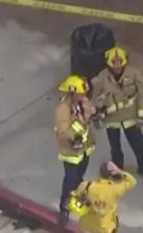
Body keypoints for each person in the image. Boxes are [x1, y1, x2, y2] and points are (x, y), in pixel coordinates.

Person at [91, 46, 143, 180]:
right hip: (111, 119)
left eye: (120, 63)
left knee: (138, 145)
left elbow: (142, 95)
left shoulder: (134, 74)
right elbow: (95, 96)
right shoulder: (102, 77)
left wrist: (141, 116)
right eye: (114, 64)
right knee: (115, 148)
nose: (117, 67)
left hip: (130, 117)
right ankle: (117, 170)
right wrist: (96, 111)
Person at [55, 75, 97, 225]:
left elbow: (89, 116)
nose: (83, 95)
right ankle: (64, 207)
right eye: (80, 93)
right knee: (70, 180)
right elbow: (63, 130)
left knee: (79, 176)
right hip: (72, 152)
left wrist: (93, 112)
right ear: (72, 93)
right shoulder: (63, 108)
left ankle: (77, 197)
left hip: (85, 149)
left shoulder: (83, 102)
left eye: (84, 93)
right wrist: (74, 137)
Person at [67, 161, 137, 233]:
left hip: (87, 224)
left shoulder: (87, 185)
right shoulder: (115, 189)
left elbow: (74, 196)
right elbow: (132, 182)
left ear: (99, 173)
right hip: (105, 227)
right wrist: (119, 171)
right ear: (112, 175)